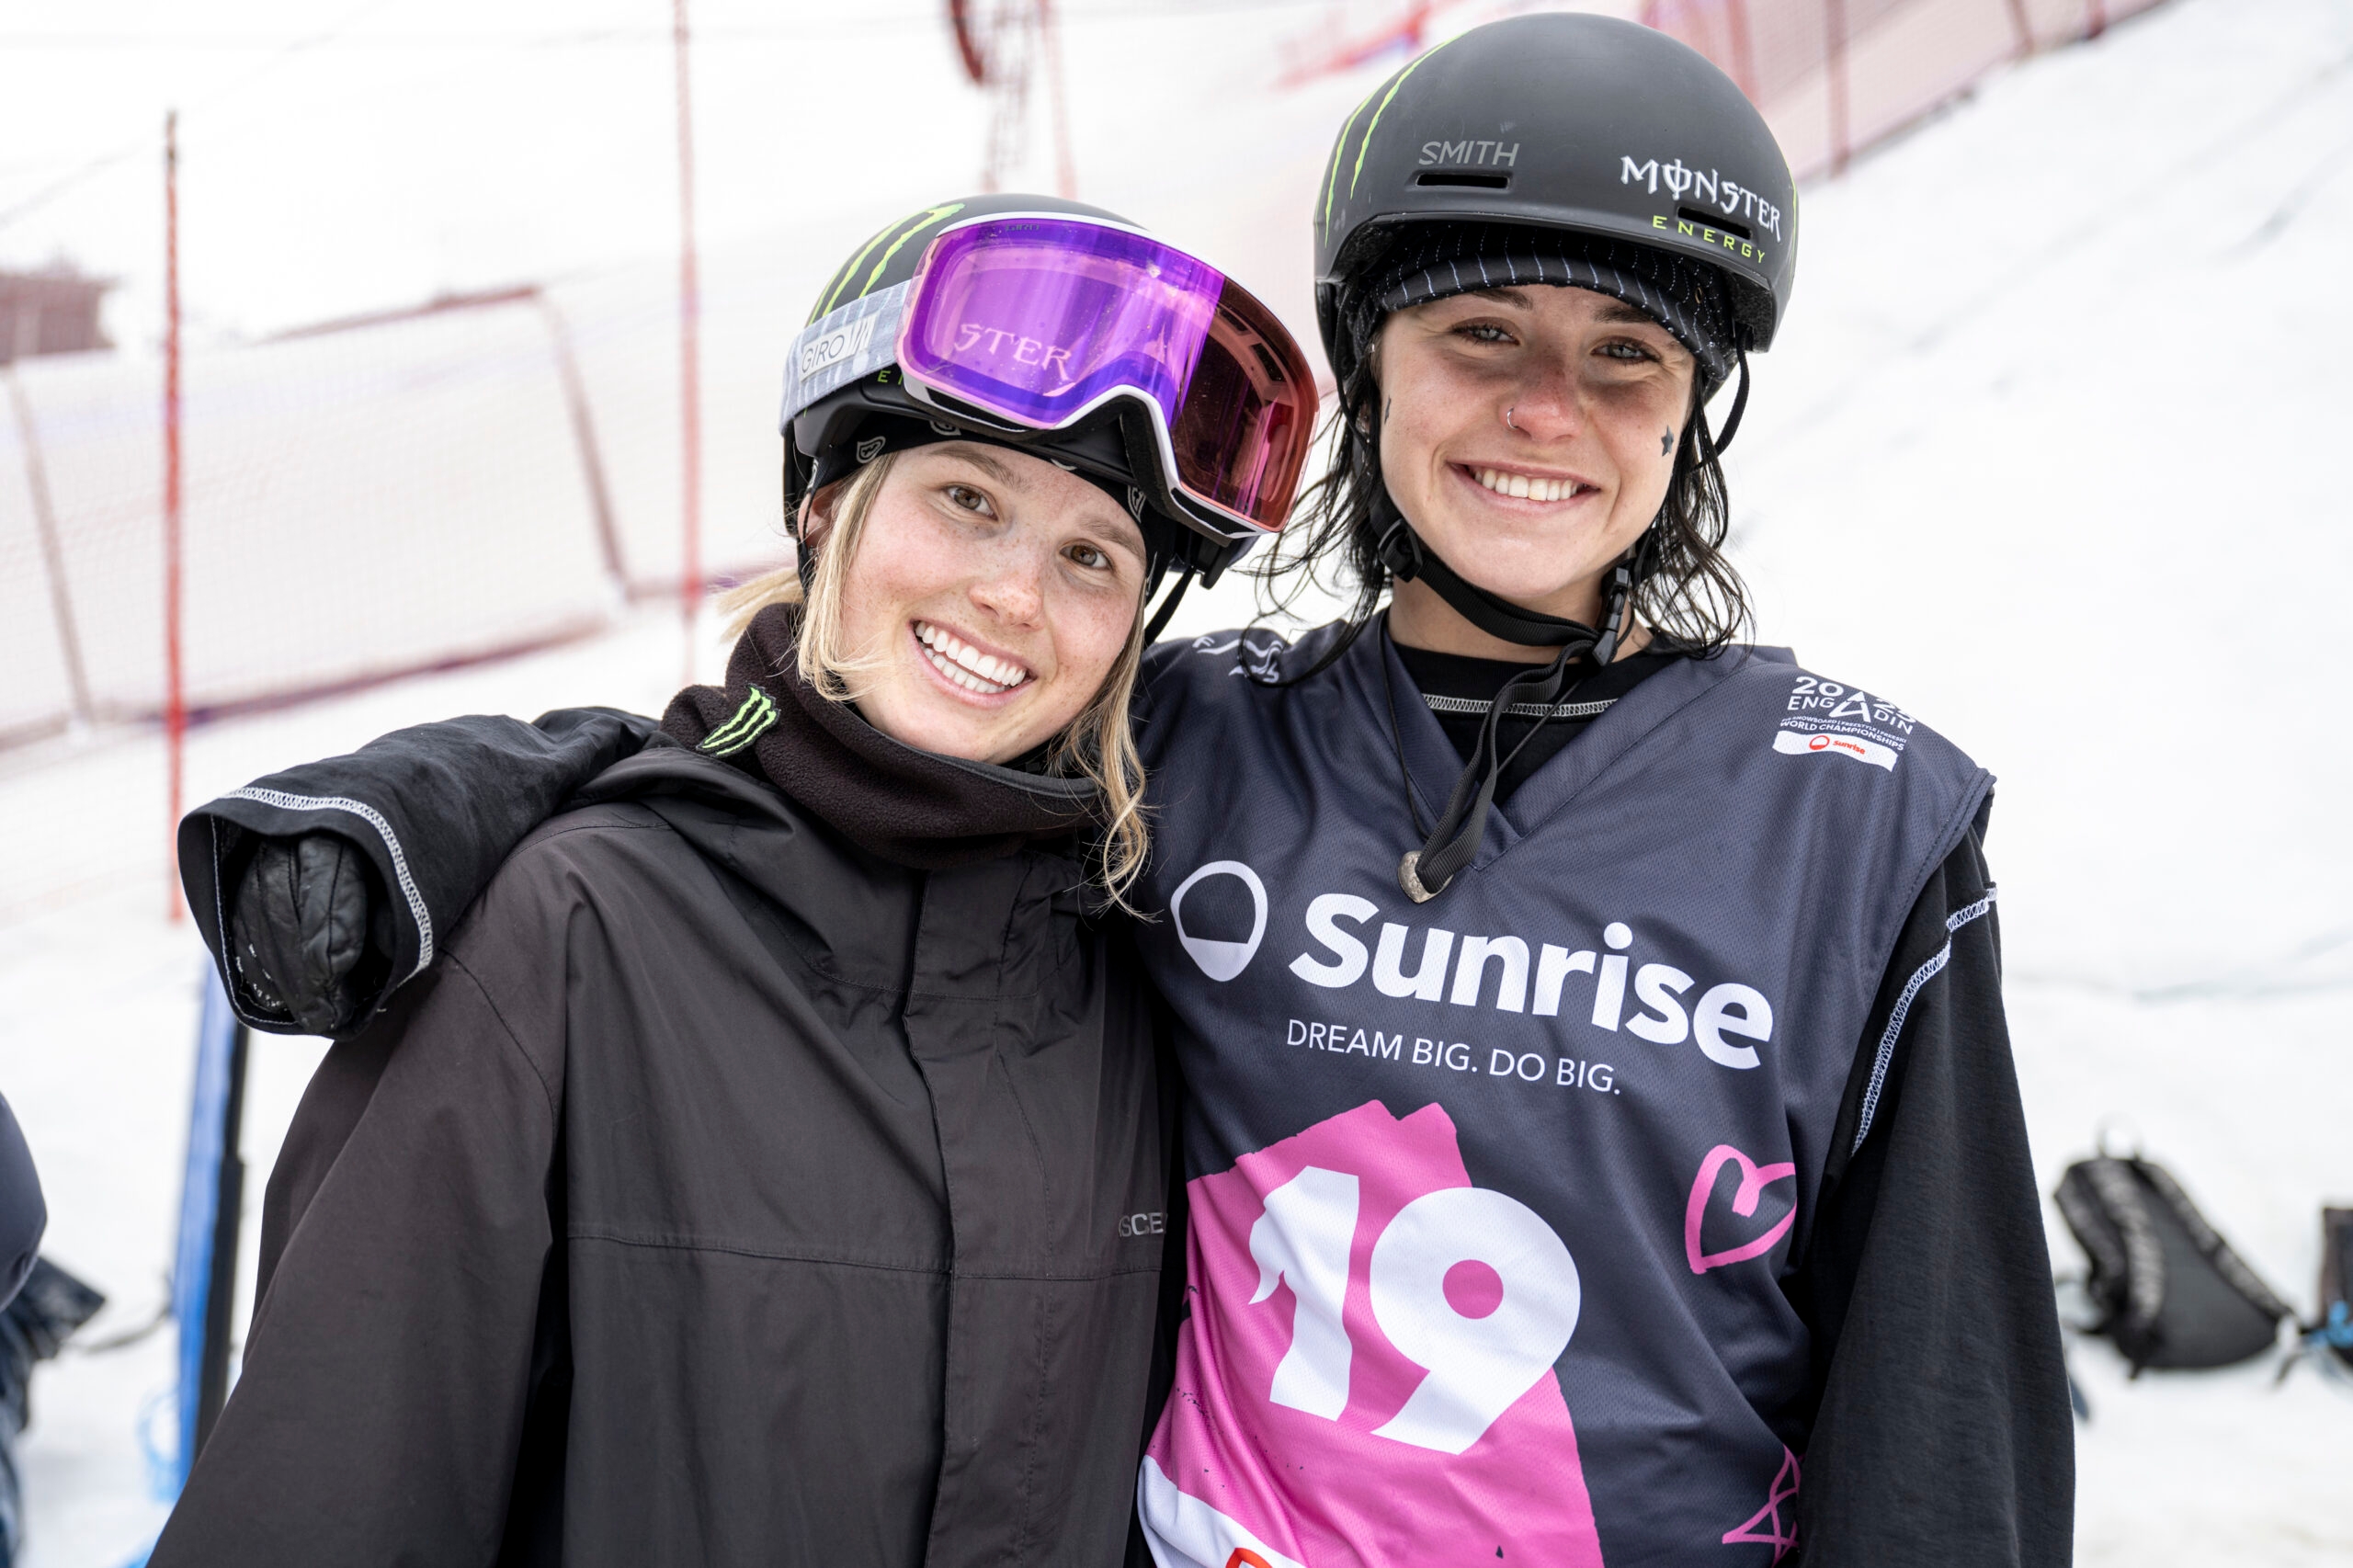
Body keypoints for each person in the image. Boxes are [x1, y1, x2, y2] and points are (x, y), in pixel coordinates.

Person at [186, 17, 2072, 1565]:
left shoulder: (1848, 818)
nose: (1541, 412)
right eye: (1479, 334)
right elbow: (810, 753)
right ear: (1373, 364)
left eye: (1623, 359)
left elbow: (1942, 1418)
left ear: (1692, 413)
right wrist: (445, 800)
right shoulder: (1185, 738)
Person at [153, 193, 1318, 1566]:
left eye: (1090, 555)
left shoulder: (1131, 991)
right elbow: (328, 1497)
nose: (1017, 594)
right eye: (967, 498)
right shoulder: (573, 935)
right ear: (827, 509)